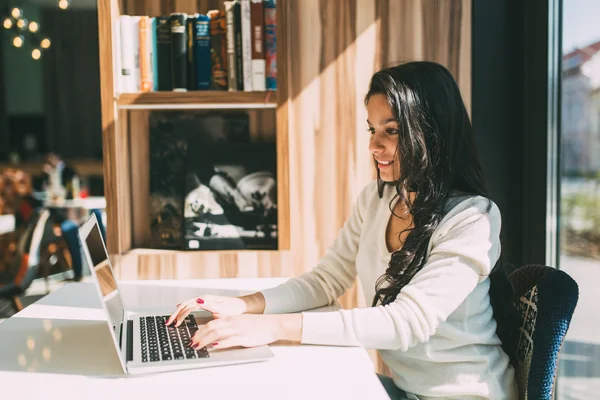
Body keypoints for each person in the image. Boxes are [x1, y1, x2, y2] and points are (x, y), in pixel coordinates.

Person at [166, 61, 519, 400]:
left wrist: (274, 326)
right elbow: (326, 281)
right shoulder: (377, 198)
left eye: (391, 130)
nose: (373, 145)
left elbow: (406, 322)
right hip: (405, 390)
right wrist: (244, 306)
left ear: (432, 131)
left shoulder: (473, 218)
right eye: (372, 129)